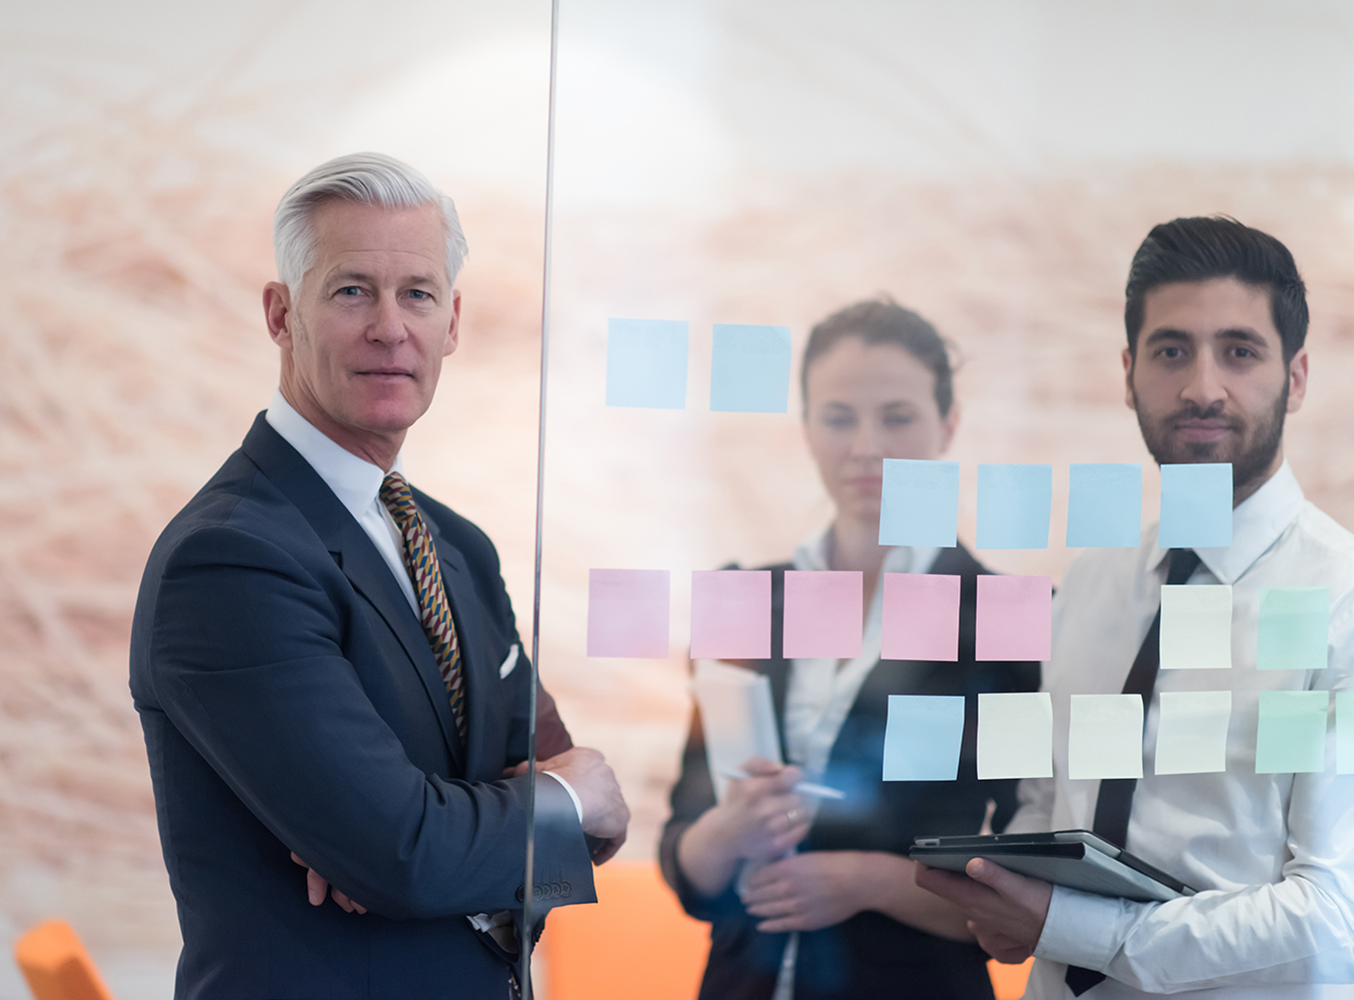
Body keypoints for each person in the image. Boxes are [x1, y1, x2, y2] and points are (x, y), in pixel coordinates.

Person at [129, 152, 628, 1000]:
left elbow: (569, 816)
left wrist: (463, 838)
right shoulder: (230, 559)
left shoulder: (455, 546)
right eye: (352, 290)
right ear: (281, 314)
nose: (390, 328)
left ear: (454, 322)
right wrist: (549, 808)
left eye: (418, 295)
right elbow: (410, 854)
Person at [916, 217, 1354, 998]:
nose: (1201, 387)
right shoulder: (1092, 582)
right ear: (1128, 374)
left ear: (1294, 377)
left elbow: (1332, 915)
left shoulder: (1339, 602)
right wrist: (998, 885)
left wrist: (1068, 927)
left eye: (1239, 351)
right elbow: (1050, 798)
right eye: (1170, 350)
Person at [659, 299, 1041, 1000]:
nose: (865, 445)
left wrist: (870, 882)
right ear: (806, 427)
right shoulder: (743, 599)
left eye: (895, 416)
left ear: (946, 425)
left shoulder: (1003, 616)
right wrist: (727, 829)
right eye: (838, 417)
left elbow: (1028, 895)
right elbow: (686, 863)